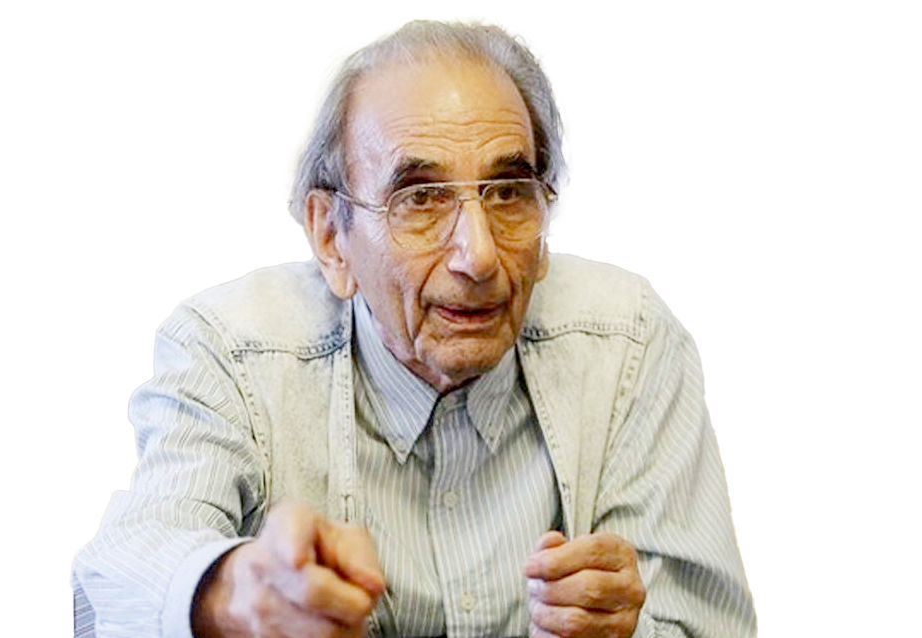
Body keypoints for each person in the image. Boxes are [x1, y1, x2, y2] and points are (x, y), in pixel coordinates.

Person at [73, 20, 756, 638]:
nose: (478, 256)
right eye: (420, 198)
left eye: (508, 193)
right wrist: (233, 597)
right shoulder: (231, 350)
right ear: (331, 237)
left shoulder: (630, 342)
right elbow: (117, 586)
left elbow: (709, 625)